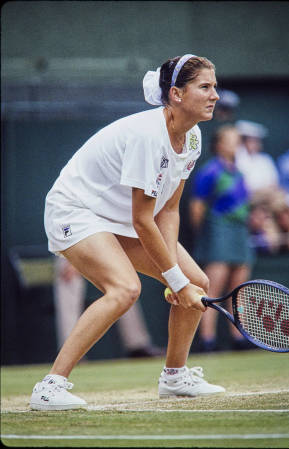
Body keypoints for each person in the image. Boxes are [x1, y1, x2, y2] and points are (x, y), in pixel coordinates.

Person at [30, 54, 225, 411]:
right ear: (177, 94)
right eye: (205, 87)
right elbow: (142, 219)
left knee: (197, 280)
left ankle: (174, 376)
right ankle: (50, 386)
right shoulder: (148, 137)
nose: (215, 95)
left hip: (118, 218)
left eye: (215, 87)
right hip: (76, 210)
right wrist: (173, 281)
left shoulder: (193, 136)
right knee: (124, 289)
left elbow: (168, 209)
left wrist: (179, 279)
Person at [189, 125, 254, 352]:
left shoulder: (239, 172)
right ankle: (207, 339)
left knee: (240, 288)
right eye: (231, 139)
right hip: (217, 231)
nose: (236, 144)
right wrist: (208, 235)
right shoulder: (209, 171)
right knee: (212, 289)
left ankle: (240, 337)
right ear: (218, 144)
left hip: (239, 232)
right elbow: (196, 208)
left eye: (238, 140)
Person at [54, 257, 164, 357]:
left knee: (127, 286)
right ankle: (69, 351)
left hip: (106, 243)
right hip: (72, 243)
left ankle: (138, 346)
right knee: (68, 277)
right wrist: (72, 260)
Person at [235, 120, 280, 197]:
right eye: (251, 141)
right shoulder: (237, 158)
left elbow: (274, 183)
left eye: (257, 141)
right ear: (243, 141)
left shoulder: (265, 159)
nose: (254, 144)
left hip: (266, 198)